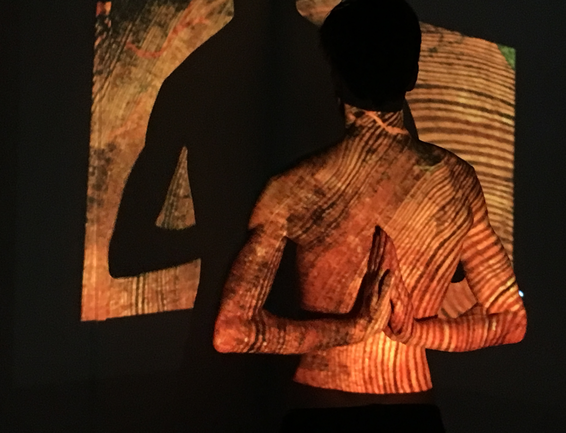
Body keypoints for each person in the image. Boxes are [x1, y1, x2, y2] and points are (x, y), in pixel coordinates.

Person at [213, 0, 527, 431]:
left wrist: (350, 329)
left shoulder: (294, 187)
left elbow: (232, 331)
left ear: (336, 77)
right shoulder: (457, 182)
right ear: (413, 74)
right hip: (412, 411)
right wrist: (414, 332)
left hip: (320, 409)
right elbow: (510, 321)